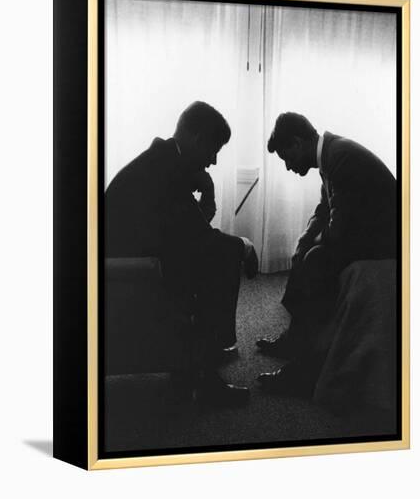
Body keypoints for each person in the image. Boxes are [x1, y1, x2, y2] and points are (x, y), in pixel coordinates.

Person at [105, 101, 258, 405]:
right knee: (225, 257)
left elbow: (186, 230)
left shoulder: (162, 161)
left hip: (136, 257)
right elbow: (199, 238)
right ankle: (206, 375)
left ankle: (197, 361)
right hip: (131, 270)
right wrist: (246, 246)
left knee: (216, 253)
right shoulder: (166, 172)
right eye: (213, 150)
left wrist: (208, 193)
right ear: (199, 139)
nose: (213, 161)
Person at [256, 112, 396, 393]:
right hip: (365, 232)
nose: (288, 167)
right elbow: (325, 210)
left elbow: (341, 228)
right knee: (305, 251)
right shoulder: (332, 155)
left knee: (316, 260)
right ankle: (296, 338)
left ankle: (304, 371)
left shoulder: (341, 158)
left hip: (385, 241)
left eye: (286, 158)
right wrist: (305, 239)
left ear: (298, 143)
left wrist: (314, 246)